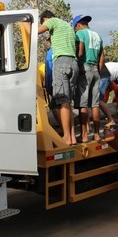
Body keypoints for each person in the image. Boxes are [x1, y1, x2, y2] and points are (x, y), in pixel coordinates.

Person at [38, 10, 78, 146]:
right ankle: (72, 136)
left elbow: (36, 31)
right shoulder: (67, 26)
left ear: (45, 19)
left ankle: (66, 137)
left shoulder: (53, 21)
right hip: (73, 63)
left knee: (62, 102)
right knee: (67, 102)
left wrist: (24, 23)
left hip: (61, 62)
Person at [73, 15, 104, 142]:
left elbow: (80, 53)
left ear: (78, 25)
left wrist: (76, 60)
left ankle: (84, 135)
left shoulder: (80, 33)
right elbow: (102, 56)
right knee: (95, 104)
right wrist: (98, 70)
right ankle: (96, 134)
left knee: (83, 103)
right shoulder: (97, 35)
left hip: (84, 69)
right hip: (96, 69)